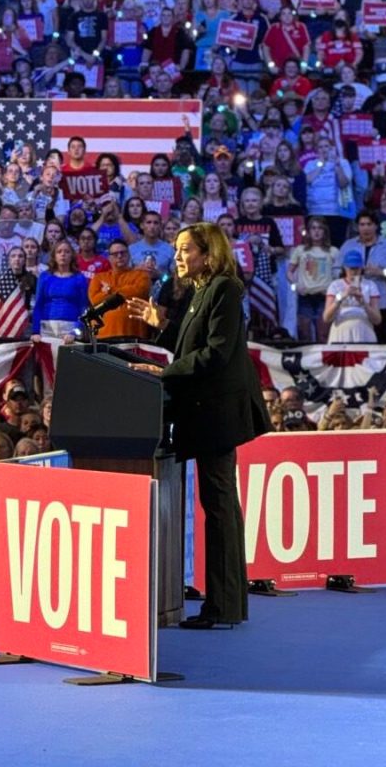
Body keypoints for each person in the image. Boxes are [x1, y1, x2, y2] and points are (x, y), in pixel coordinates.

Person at [126, 224, 269, 629]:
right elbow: (192, 346)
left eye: (185, 249)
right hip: (207, 414)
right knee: (219, 507)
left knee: (221, 508)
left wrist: (163, 373)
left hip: (218, 416)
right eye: (176, 250)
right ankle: (227, 605)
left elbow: (217, 354)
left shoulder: (225, 288)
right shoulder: (201, 291)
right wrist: (162, 323)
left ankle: (223, 607)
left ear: (209, 253)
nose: (178, 257)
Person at [323, 250, 380, 344]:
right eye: (351, 268)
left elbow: (377, 320)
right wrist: (341, 297)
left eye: (357, 268)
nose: (354, 272)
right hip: (341, 331)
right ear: (345, 268)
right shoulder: (335, 285)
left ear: (362, 268)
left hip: (364, 330)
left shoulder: (370, 285)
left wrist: (363, 303)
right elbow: (326, 318)